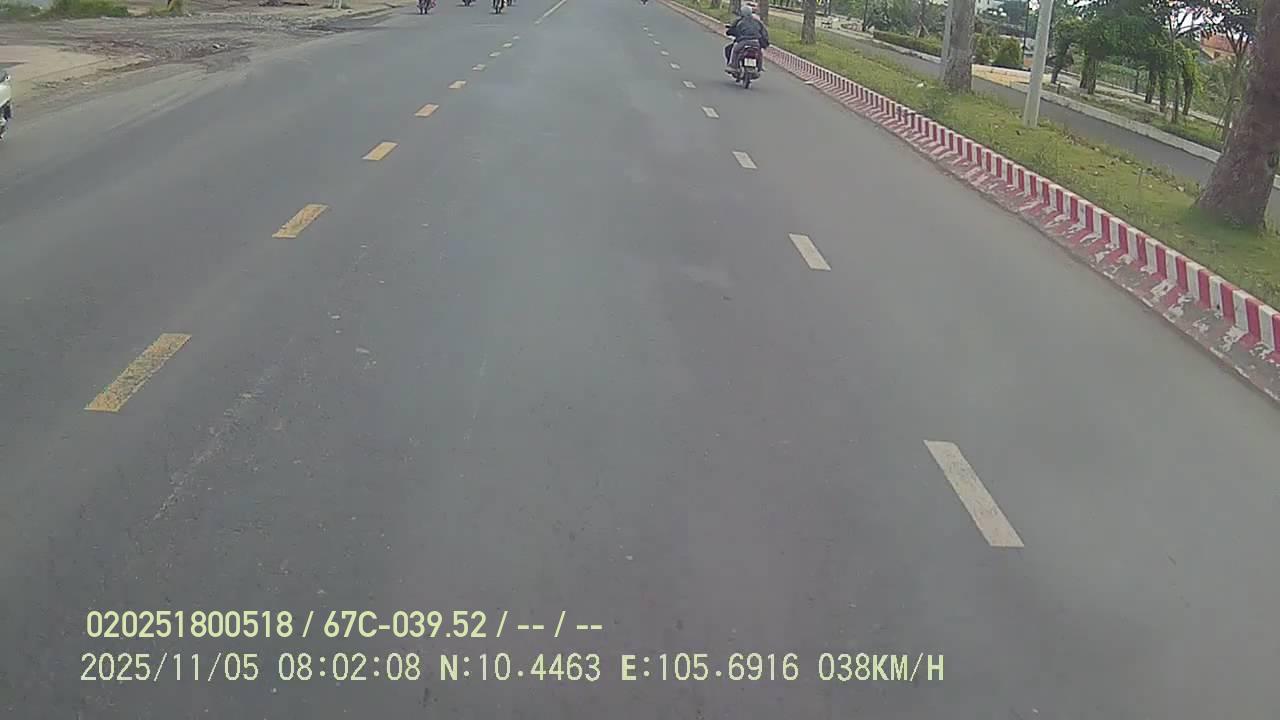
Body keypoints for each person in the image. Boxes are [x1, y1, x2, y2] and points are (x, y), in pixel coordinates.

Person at [724, 4, 768, 71]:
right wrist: (765, 42)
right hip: (755, 42)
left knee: (734, 50)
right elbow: (764, 32)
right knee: (760, 52)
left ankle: (733, 66)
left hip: (743, 42)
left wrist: (730, 32)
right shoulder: (758, 22)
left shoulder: (740, 21)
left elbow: (734, 30)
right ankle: (760, 66)